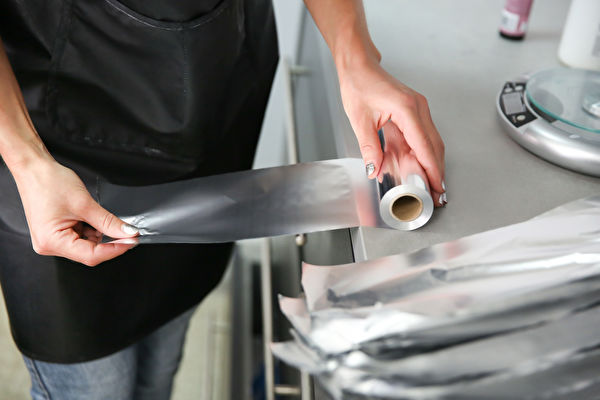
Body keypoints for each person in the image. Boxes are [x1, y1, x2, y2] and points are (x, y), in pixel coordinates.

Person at [0, 0, 445, 398]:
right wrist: (28, 161)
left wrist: (357, 61)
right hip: (54, 155)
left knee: (159, 371)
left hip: (209, 109)